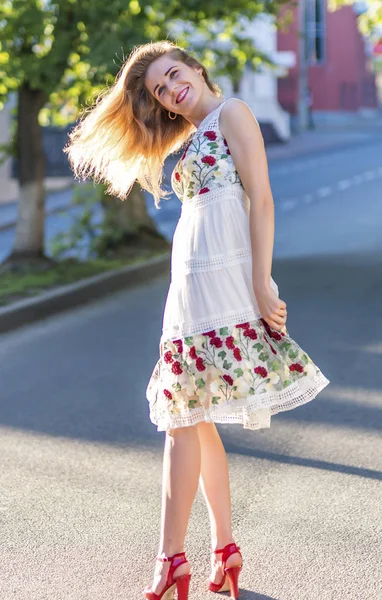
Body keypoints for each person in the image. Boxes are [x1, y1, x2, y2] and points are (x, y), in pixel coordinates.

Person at [65, 40, 329, 600]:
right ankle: (225, 549)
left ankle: (169, 558)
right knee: (196, 421)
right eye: (160, 89)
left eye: (173, 74)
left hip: (225, 290)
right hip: (188, 294)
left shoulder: (232, 112)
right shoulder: (190, 137)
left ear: (195, 67)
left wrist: (263, 281)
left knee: (182, 422)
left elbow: (260, 198)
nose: (170, 89)